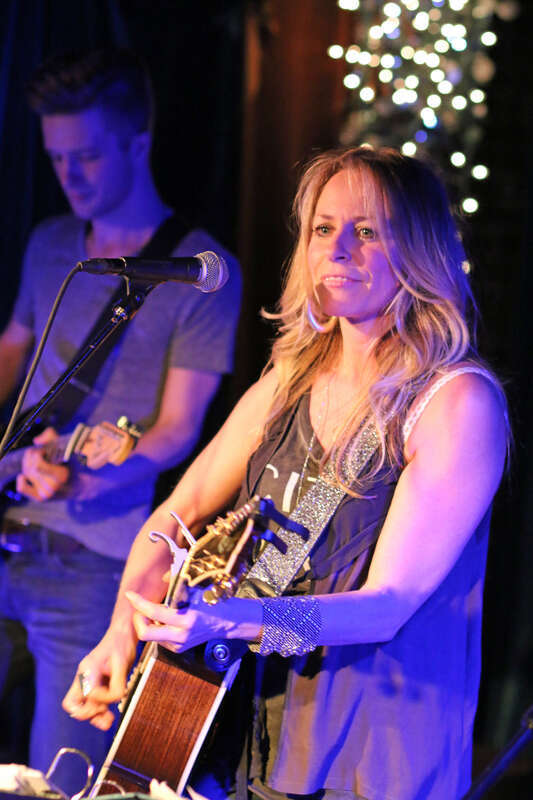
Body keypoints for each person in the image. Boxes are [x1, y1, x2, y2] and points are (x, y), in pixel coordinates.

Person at [63, 146, 508, 800]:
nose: (337, 251)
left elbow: (383, 609)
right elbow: (173, 516)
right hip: (256, 729)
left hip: (375, 747)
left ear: (417, 249)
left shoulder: (455, 402)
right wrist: (118, 632)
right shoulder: (288, 381)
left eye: (367, 231)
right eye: (323, 229)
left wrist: (233, 620)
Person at [0, 49, 241, 794]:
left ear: (139, 142)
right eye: (56, 157)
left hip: (95, 558)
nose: (69, 175)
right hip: (9, 531)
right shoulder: (48, 244)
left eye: (89, 155)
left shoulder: (199, 269)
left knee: (61, 777)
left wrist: (92, 467)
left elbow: (176, 431)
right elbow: (11, 356)